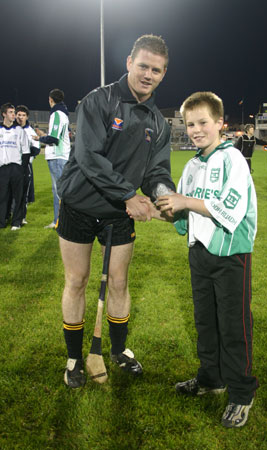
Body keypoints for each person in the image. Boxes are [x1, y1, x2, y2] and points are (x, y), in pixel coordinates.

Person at [56, 34, 175, 388]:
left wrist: (164, 195)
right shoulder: (98, 100)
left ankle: (120, 351)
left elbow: (156, 171)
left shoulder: (160, 123)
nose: (148, 74)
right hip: (79, 204)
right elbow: (88, 157)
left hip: (119, 212)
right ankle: (75, 358)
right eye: (143, 66)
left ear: (163, 73)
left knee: (120, 283)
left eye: (156, 70)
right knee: (76, 281)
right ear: (128, 63)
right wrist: (127, 195)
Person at [154, 92, 258, 428]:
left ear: (219, 123)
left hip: (230, 254)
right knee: (205, 322)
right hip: (199, 252)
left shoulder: (233, 160)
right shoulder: (193, 164)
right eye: (190, 124)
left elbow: (230, 210)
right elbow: (181, 211)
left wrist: (183, 200)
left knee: (233, 325)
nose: (196, 129)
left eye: (202, 122)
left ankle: (242, 393)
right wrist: (152, 210)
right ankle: (211, 378)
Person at [33, 89, 70, 228]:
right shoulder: (64, 114)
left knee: (58, 191)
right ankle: (61, 221)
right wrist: (44, 135)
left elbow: (53, 139)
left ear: (50, 99)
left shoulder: (56, 114)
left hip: (57, 156)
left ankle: (59, 222)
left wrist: (40, 137)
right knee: (61, 190)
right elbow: (65, 134)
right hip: (62, 155)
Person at [0, 103, 30, 230]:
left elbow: (26, 151)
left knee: (18, 196)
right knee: (2, 196)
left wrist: (22, 170)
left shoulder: (20, 131)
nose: (14, 114)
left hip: (16, 167)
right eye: (11, 112)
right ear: (4, 114)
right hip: (3, 168)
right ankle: (2, 221)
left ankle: (16, 222)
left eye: (14, 112)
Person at [16, 105, 40, 223]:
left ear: (27, 117)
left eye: (23, 115)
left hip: (25, 166)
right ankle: (8, 214)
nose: (20, 117)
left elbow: (36, 149)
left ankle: (22, 216)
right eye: (19, 115)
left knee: (23, 192)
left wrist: (24, 153)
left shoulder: (30, 131)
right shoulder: (10, 129)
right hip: (10, 165)